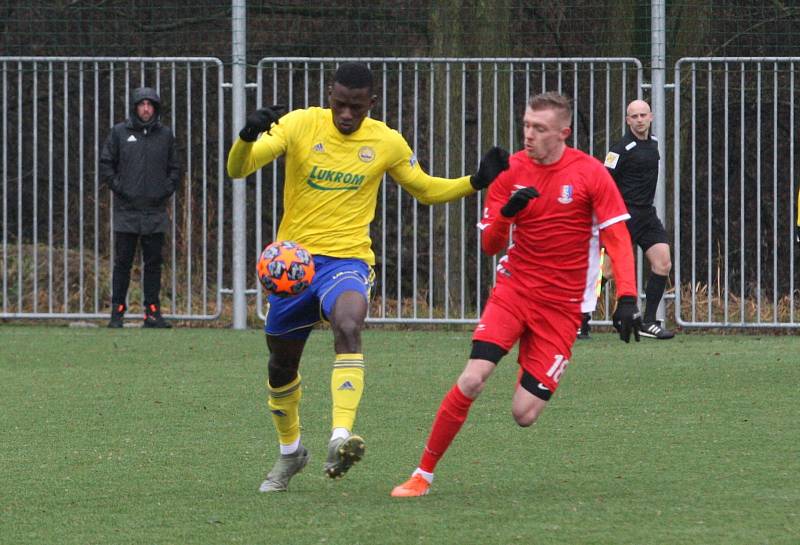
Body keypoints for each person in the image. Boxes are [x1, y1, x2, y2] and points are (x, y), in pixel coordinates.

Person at [226, 62, 510, 493]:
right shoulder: (301, 124)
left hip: (348, 262)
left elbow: (425, 188)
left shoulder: (385, 140)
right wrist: (247, 136)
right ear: (329, 96)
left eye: (355, 107)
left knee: (348, 324)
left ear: (370, 104)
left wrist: (475, 182)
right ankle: (290, 453)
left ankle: (340, 436)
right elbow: (238, 169)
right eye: (339, 104)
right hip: (295, 267)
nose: (345, 114)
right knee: (281, 365)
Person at [390, 92, 643, 498]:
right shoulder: (509, 171)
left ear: (563, 132)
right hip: (514, 291)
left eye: (539, 129)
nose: (528, 135)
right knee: (473, 378)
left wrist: (628, 297)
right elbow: (491, 246)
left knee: (524, 414)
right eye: (526, 125)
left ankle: (533, 363)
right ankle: (422, 475)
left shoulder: (591, 173)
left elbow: (617, 236)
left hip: (561, 308)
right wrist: (507, 212)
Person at [100, 87, 180, 329]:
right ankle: (117, 313)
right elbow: (106, 164)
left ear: (155, 108)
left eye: (150, 104)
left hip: (155, 212)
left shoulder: (166, 135)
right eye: (142, 104)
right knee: (122, 263)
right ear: (135, 107)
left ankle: (152, 313)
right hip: (127, 211)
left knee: (154, 264)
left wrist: (165, 189)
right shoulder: (119, 133)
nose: (146, 109)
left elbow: (175, 168)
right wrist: (120, 188)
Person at [603, 99, 675, 339]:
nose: (640, 120)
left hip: (647, 214)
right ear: (627, 120)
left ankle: (650, 321)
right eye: (634, 116)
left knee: (663, 262)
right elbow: (604, 181)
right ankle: (578, 319)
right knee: (608, 271)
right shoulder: (619, 149)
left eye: (643, 115)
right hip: (624, 215)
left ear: (651, 117)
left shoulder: (654, 143)